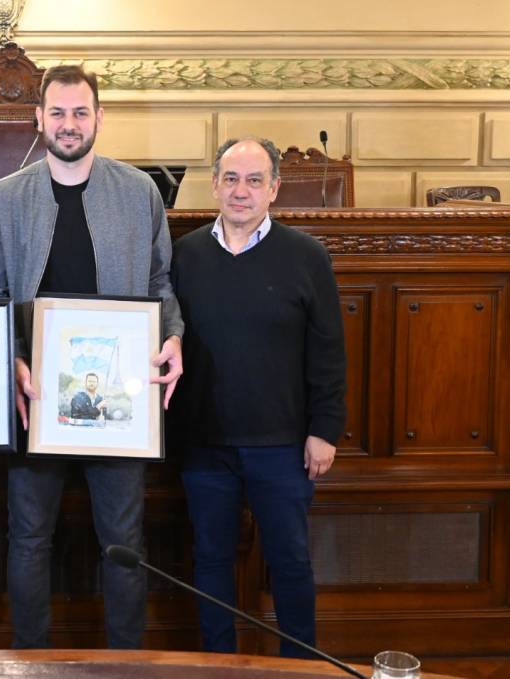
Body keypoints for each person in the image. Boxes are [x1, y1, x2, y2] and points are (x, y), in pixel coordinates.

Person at [0, 64, 184, 649]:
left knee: (124, 538)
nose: (69, 125)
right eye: (59, 113)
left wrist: (173, 335)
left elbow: (160, 282)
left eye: (81, 112)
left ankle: (126, 664)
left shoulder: (138, 191)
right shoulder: (5, 198)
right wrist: (12, 360)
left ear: (99, 118)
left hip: (121, 400)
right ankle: (31, 663)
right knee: (29, 538)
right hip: (35, 397)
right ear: (39, 119)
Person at [169, 136, 346, 658]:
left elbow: (328, 353)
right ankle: (219, 664)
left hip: (284, 446)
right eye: (230, 178)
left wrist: (324, 430)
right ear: (214, 185)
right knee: (210, 561)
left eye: (252, 180)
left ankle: (301, 667)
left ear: (274, 188)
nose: (240, 191)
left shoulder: (307, 256)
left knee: (289, 561)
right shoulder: (186, 254)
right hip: (205, 445)